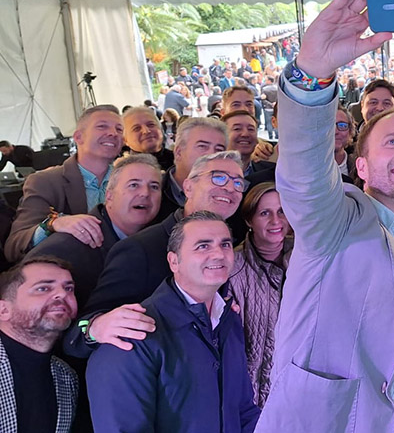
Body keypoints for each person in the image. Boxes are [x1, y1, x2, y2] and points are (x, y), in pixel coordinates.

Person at [256, 0, 394, 432]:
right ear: (359, 167)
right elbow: (303, 173)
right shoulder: (336, 220)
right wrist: (312, 74)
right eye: (392, 143)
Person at [87, 211, 260, 432]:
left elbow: (243, 410)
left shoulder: (229, 320)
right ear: (174, 261)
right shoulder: (132, 333)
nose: (219, 254)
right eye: (203, 246)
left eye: (225, 244)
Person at [67, 151, 245, 357]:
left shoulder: (233, 244)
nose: (230, 187)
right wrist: (93, 328)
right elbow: (79, 334)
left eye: (238, 183)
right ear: (188, 186)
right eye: (219, 177)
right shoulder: (141, 250)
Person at [26, 154, 162, 308]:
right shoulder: (64, 249)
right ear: (109, 196)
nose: (145, 193)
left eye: (154, 187)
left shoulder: (158, 241)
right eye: (133, 185)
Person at [5, 105, 123, 263]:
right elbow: (15, 247)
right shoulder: (45, 182)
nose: (113, 133)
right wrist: (53, 224)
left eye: (119, 129)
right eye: (102, 126)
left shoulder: (129, 180)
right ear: (79, 137)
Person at [228, 183, 293, 408]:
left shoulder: (307, 257)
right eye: (265, 213)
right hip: (248, 396)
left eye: (282, 211)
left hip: (296, 390)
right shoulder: (233, 266)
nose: (276, 221)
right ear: (249, 221)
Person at [0, 256, 79, 433]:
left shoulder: (67, 377)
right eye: (43, 288)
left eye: (69, 288)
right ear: (4, 310)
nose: (62, 294)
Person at [156, 117, 228, 221]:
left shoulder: (229, 197)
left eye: (219, 149)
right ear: (178, 152)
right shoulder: (153, 193)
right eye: (202, 146)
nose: (212, 154)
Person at [333, 105, 358, 183]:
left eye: (342, 125)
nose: (335, 131)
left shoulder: (358, 165)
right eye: (330, 125)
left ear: (350, 131)